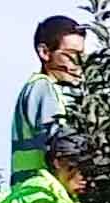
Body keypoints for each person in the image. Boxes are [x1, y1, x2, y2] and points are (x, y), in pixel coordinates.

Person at [13, 16, 90, 169]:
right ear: (45, 52)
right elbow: (63, 144)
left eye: (81, 54)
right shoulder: (43, 88)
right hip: (44, 188)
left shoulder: (42, 89)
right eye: (70, 54)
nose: (78, 62)